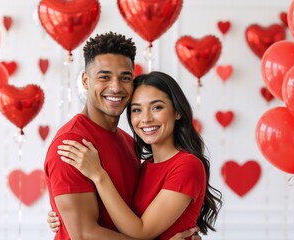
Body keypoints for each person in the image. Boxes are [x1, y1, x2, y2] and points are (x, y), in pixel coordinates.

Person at [44, 32, 200, 240]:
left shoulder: (128, 142)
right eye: (104, 77)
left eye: (125, 77)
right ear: (86, 80)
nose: (116, 87)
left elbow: (136, 218)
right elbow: (83, 234)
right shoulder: (72, 144)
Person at [55, 71, 223, 239]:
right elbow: (120, 217)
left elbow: (141, 232)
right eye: (137, 110)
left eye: (157, 107)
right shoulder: (143, 166)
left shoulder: (187, 165)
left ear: (177, 112)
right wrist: (64, 215)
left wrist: (99, 175)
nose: (146, 118)